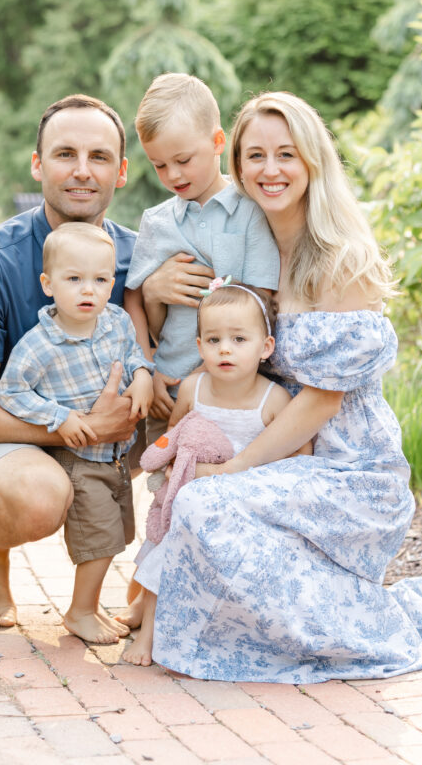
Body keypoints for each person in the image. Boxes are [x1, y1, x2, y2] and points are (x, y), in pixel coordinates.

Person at [145, 91, 422, 682]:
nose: (270, 170)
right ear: (238, 164)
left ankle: (363, 627)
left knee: (206, 498)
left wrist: (237, 467)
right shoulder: (246, 250)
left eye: (286, 154)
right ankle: (194, 612)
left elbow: (324, 399)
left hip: (348, 466)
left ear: (312, 162)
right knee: (186, 488)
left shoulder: (339, 257)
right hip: (283, 451)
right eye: (256, 156)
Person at [0, 94, 146, 630]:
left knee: (201, 416)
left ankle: (154, 589)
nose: (82, 171)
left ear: (122, 172)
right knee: (39, 498)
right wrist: (87, 431)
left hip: (103, 431)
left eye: (99, 156)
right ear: (37, 164)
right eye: (65, 153)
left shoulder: (139, 258)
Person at [116, 72, 281, 627]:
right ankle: (149, 589)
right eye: (159, 165)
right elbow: (136, 299)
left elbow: (260, 300)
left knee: (213, 492)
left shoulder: (252, 213)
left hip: (227, 391)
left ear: (217, 142)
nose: (172, 175)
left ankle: (194, 597)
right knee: (164, 490)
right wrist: (145, 366)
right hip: (170, 389)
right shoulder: (158, 222)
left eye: (182, 160)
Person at [123, 279, 299, 666]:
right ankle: (147, 630)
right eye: (214, 339)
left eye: (239, 339)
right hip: (190, 497)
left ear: (265, 347)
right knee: (164, 541)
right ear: (199, 345)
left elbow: (297, 456)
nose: (225, 349)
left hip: (243, 506)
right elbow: (174, 434)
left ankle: (166, 612)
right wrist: (172, 468)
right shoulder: (194, 387)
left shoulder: (273, 400)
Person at [0, 223, 154, 643]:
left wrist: (141, 376)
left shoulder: (116, 322)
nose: (89, 290)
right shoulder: (39, 345)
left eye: (101, 280)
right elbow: (10, 390)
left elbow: (134, 353)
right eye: (74, 279)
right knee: (98, 539)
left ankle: (90, 606)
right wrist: (58, 417)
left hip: (115, 456)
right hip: (79, 458)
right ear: (48, 284)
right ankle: (80, 611)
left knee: (117, 534)